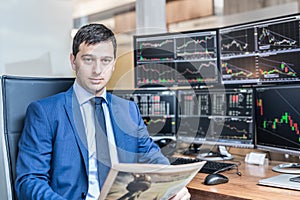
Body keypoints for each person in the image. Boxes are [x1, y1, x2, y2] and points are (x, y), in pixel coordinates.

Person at [15, 24, 191, 200]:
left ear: (114, 64)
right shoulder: (45, 112)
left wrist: (175, 185)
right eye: (88, 60)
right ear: (73, 61)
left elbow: (152, 158)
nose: (97, 70)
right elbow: (29, 180)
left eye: (105, 60)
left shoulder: (128, 110)